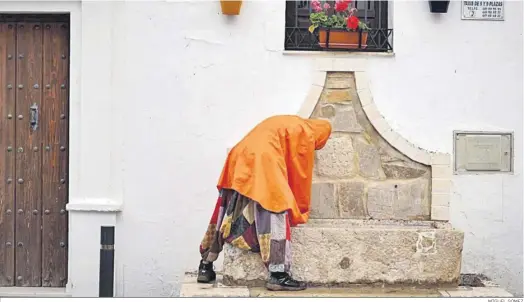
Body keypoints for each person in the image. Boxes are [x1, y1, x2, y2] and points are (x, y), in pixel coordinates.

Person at [197, 115, 332, 291]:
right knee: (277, 209)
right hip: (263, 159)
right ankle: (278, 275)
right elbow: (299, 172)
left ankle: (206, 264)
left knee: (224, 211)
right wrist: (299, 207)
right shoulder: (306, 132)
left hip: (240, 154)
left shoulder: (289, 121)